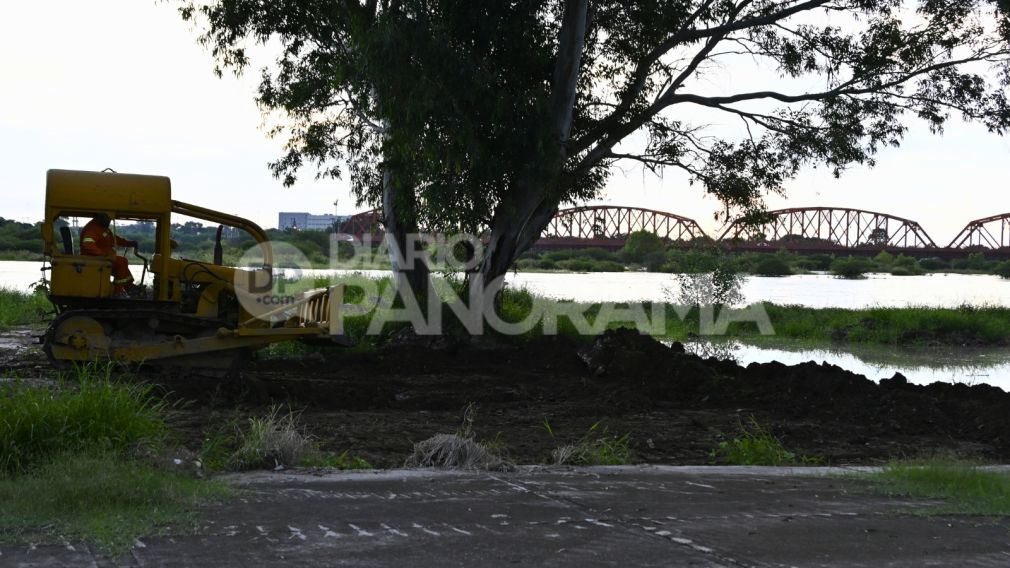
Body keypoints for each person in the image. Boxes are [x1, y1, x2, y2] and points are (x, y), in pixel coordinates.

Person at [80, 214, 138, 297]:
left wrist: (128, 243)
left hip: (103, 259)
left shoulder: (102, 227)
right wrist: (104, 255)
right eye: (108, 218)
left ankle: (130, 287)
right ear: (101, 216)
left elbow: (113, 239)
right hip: (94, 260)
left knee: (122, 263)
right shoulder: (93, 228)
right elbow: (88, 244)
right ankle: (118, 292)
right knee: (122, 262)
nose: (109, 221)